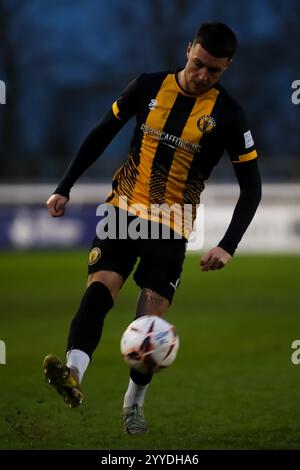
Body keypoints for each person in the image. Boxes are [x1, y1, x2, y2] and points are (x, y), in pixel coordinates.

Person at [43, 22, 261, 435]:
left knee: (149, 328)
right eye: (198, 64)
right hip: (121, 212)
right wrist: (64, 186)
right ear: (188, 50)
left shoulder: (229, 115)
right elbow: (101, 134)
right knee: (99, 290)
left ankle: (133, 404)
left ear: (226, 68)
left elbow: (252, 188)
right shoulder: (147, 86)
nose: (202, 75)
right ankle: (72, 374)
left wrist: (228, 245)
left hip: (173, 225)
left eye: (213, 71)